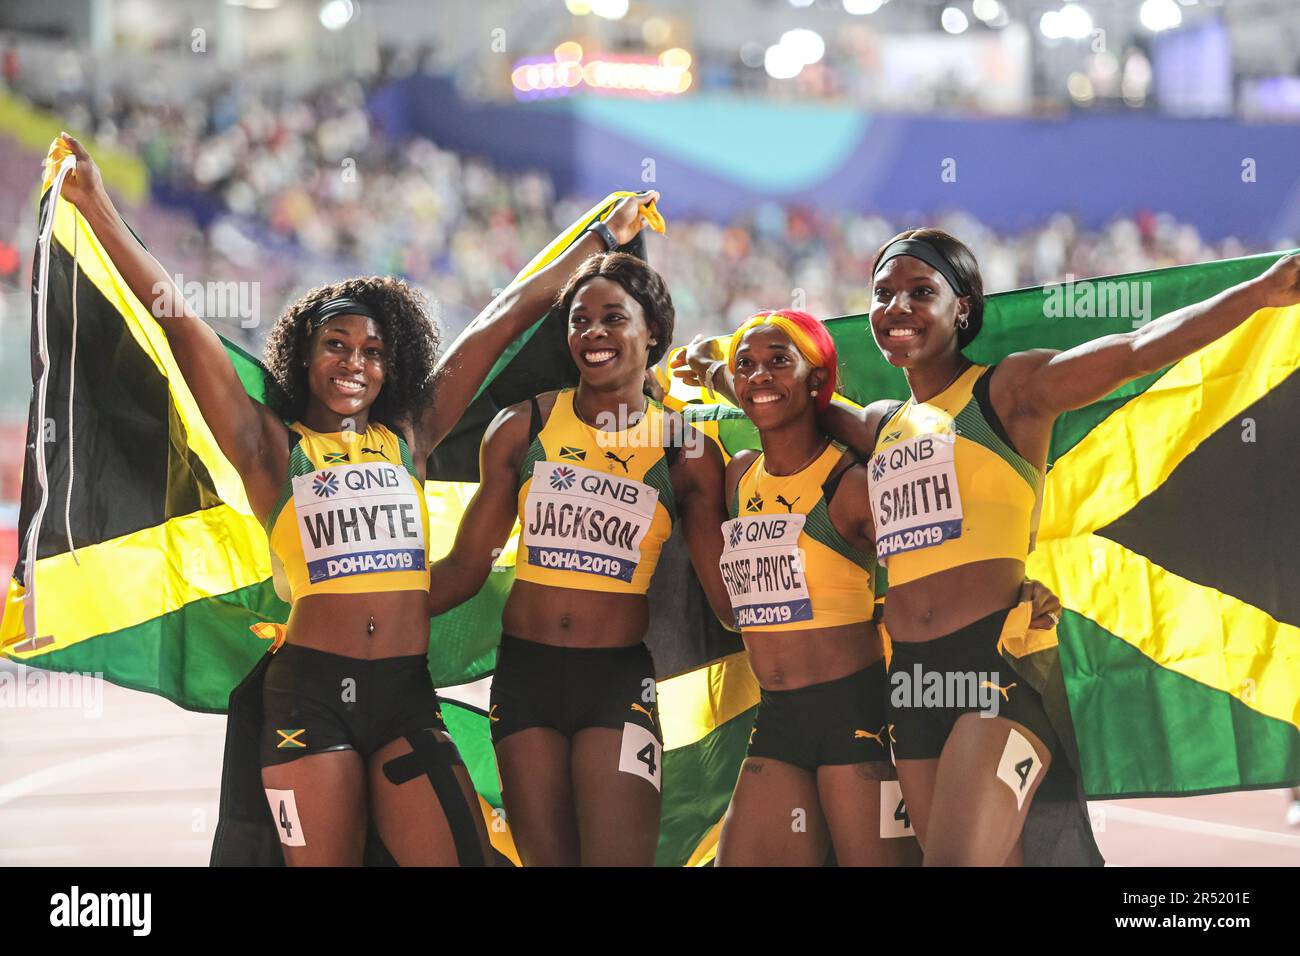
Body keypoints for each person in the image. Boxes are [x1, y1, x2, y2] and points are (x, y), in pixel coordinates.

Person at [55, 131, 662, 865]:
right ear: (304, 357)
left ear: (391, 366)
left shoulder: (411, 433)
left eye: (373, 351)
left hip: (404, 696)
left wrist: (601, 237)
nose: (355, 362)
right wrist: (95, 204)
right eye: (337, 345)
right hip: (306, 699)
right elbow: (179, 321)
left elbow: (503, 317)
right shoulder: (269, 448)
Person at [677, 310, 1062, 866]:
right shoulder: (739, 476)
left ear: (816, 380)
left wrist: (1016, 589)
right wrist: (706, 364)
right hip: (778, 718)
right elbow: (754, 391)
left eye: (779, 362)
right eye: (747, 366)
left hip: (857, 718)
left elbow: (937, 554)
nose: (759, 375)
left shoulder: (853, 485)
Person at [428, 250, 733, 866]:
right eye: (578, 319)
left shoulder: (686, 452)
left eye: (613, 318)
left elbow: (729, 598)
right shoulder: (523, 427)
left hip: (616, 684)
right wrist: (352, 609)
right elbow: (465, 567)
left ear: (652, 333)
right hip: (524, 681)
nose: (592, 332)